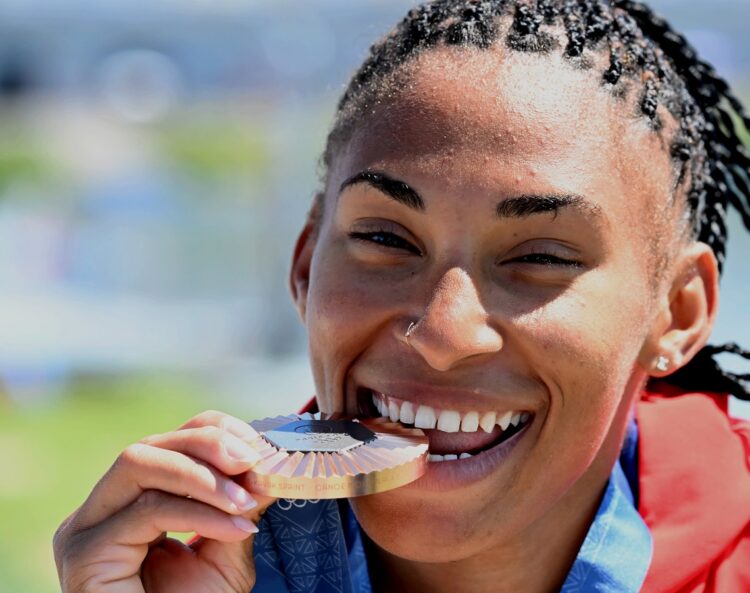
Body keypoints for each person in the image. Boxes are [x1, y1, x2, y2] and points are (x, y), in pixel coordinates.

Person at [53, 1, 750, 591]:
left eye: (539, 256)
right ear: (303, 268)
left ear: (679, 313)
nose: (444, 331)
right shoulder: (180, 567)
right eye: (387, 239)